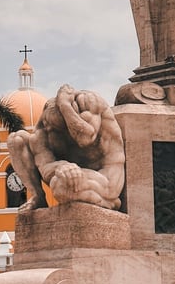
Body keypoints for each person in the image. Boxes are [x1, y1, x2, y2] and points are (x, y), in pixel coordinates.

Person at [8, 84, 125, 212]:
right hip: (69, 174)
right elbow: (44, 165)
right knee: (17, 139)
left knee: (61, 186)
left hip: (105, 175)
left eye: (58, 129)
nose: (53, 132)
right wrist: (61, 166)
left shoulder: (88, 102)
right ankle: (38, 197)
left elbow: (85, 138)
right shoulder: (46, 121)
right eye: (51, 129)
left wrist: (65, 106)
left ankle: (109, 201)